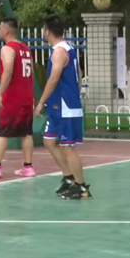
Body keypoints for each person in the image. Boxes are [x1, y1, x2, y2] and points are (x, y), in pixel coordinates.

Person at [36, 14, 91, 199]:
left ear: (47, 32)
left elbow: (53, 79)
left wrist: (41, 102)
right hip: (57, 106)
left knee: (68, 147)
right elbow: (79, 73)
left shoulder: (59, 51)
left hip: (65, 107)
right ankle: (69, 178)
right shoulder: (69, 47)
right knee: (49, 141)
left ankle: (82, 187)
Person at [0, 18, 36, 178]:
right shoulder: (26, 49)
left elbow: (8, 70)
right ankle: (28, 167)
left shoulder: (7, 48)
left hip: (13, 97)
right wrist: (32, 96)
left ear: (6, 31)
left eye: (0, 28)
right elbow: (30, 74)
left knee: (2, 132)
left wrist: (0, 93)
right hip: (26, 97)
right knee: (26, 133)